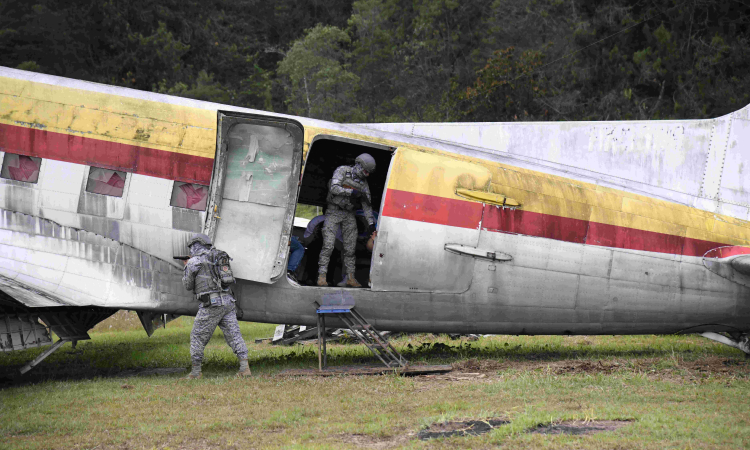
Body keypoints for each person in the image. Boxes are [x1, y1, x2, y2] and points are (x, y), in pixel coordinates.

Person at [182, 233, 251, 379]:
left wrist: (186, 267)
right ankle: (245, 368)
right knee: (234, 335)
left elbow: (188, 285)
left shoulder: (194, 262)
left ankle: (195, 372)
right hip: (228, 302)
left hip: (211, 304)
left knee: (197, 337)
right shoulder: (219, 257)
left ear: (195, 245)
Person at [318, 153, 377, 287]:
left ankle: (350, 277)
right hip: (333, 211)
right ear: (358, 165)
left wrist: (371, 224)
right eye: (365, 171)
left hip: (349, 214)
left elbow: (367, 205)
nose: (366, 175)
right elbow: (334, 187)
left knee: (350, 249)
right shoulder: (342, 171)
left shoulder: (363, 184)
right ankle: (322, 276)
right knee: (328, 246)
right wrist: (351, 192)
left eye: (369, 173)